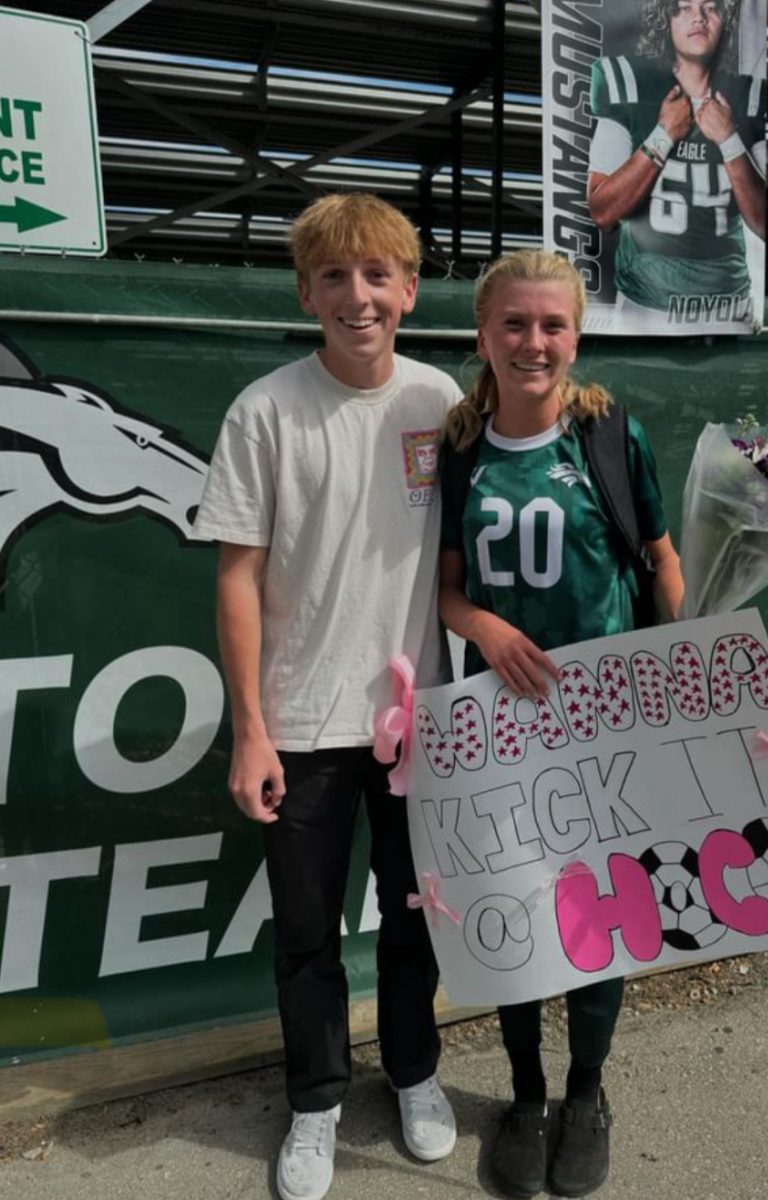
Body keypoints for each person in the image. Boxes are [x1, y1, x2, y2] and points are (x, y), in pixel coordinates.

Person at [193, 192, 462, 1200]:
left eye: (379, 274)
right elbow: (236, 580)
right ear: (308, 292)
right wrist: (251, 734)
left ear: (409, 287)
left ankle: (416, 1073)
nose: (360, 296)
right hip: (301, 729)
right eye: (337, 277)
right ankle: (316, 1101)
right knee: (306, 933)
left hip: (416, 725)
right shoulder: (264, 411)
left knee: (413, 918)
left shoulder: (442, 400)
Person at [437, 249, 684, 1198]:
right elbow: (449, 591)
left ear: (574, 337)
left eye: (552, 325)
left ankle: (586, 1094)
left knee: (594, 916)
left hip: (602, 729)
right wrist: (487, 629)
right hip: (499, 730)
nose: (532, 342)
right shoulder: (459, 449)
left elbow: (660, 561)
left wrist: (668, 672)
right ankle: (526, 1095)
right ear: (482, 337)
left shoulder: (609, 435)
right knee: (511, 914)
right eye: (513, 324)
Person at [586, 0, 765, 321]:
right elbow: (602, 211)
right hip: (645, 309)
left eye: (710, 8)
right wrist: (663, 134)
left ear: (724, 22)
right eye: (684, 8)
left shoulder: (746, 96)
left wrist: (729, 141)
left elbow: (765, 224)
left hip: (729, 307)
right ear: (664, 21)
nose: (698, 17)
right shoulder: (628, 83)